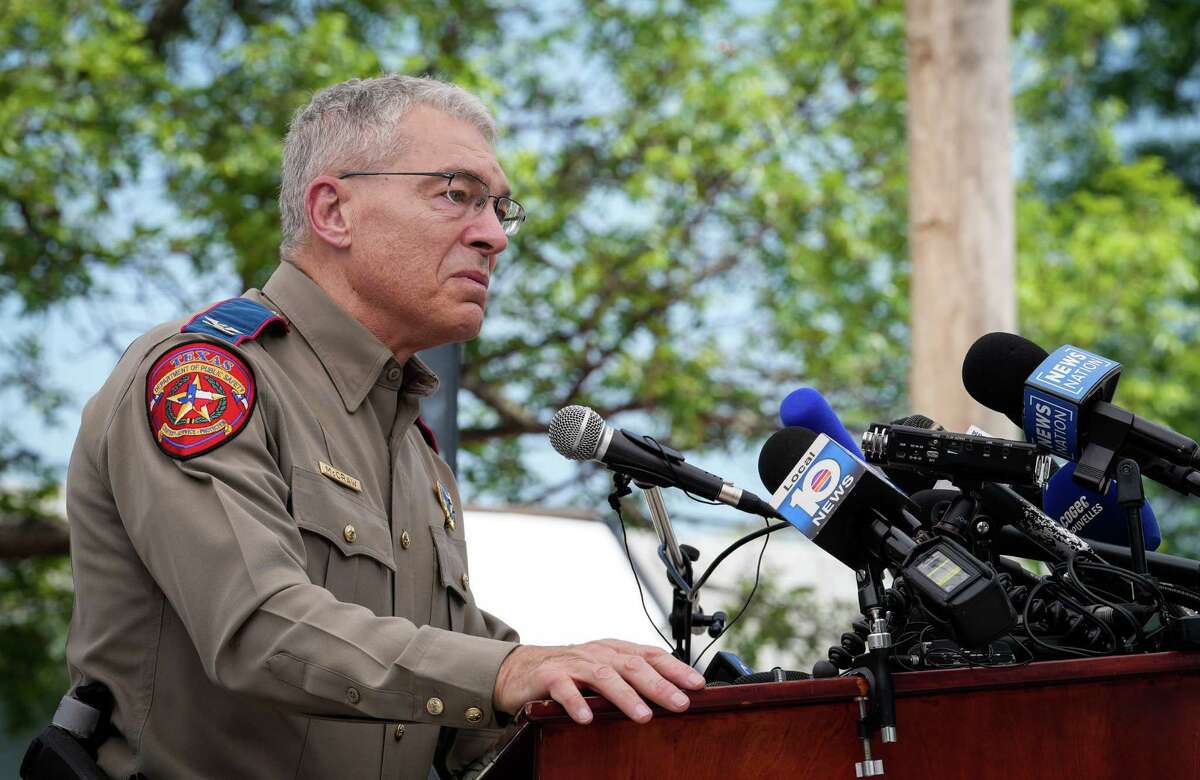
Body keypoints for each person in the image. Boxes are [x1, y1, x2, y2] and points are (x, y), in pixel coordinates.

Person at [58, 75, 704, 779]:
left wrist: (635, 698)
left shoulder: (413, 448)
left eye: (499, 208)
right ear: (334, 211)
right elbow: (257, 628)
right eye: (456, 194)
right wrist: (509, 671)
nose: (493, 236)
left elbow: (463, 707)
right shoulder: (204, 378)